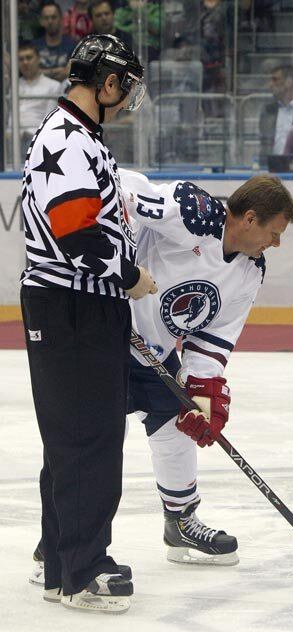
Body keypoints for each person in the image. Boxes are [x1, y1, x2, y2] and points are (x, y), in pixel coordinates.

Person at [29, 172, 293, 577]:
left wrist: (203, 397)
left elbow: (212, 339)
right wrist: (120, 256)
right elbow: (127, 186)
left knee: (175, 423)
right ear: (249, 218)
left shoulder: (249, 271)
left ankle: (180, 522)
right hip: (103, 336)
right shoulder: (194, 212)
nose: (275, 243)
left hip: (152, 350)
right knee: (87, 441)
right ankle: (59, 540)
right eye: (274, 233)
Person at [20, 33, 155, 614]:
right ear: (105, 83)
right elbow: (76, 231)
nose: (126, 100)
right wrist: (129, 275)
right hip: (74, 305)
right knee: (89, 437)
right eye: (124, 87)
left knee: (73, 436)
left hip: (72, 306)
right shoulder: (68, 140)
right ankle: (81, 569)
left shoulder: (73, 135)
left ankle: (61, 561)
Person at [16, 42, 63, 157]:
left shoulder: (53, 86)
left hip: (37, 138)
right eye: (21, 59)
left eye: (29, 58)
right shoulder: (14, 85)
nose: (25, 62)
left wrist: (28, 133)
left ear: (38, 59)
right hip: (13, 138)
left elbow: (49, 120)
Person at [259, 64, 293, 157]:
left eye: (275, 80)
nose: (270, 85)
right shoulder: (267, 111)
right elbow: (264, 145)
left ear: (289, 82)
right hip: (271, 167)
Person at [33, 1, 78, 82]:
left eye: (53, 17)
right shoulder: (34, 46)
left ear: (61, 19)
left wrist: (43, 72)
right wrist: (58, 71)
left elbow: (70, 73)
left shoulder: (72, 45)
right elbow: (32, 72)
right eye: (46, 18)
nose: (50, 21)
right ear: (41, 21)